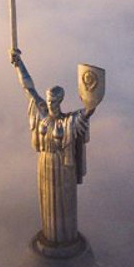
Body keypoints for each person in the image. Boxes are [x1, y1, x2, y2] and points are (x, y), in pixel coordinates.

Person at [10, 47, 95, 246]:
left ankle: (65, 239)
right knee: (47, 203)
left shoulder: (68, 122)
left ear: (60, 101)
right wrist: (18, 63)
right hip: (45, 161)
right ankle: (50, 236)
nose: (49, 104)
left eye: (53, 101)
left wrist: (90, 88)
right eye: (48, 100)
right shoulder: (41, 113)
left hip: (63, 165)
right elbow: (28, 88)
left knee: (64, 203)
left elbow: (89, 110)